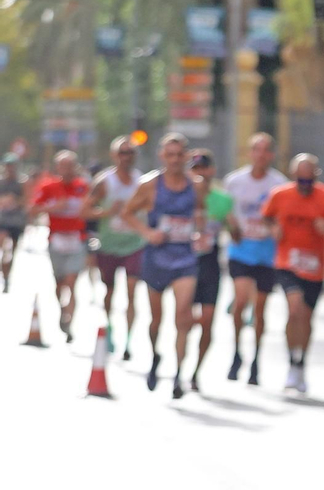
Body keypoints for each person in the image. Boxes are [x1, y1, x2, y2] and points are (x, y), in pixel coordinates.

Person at [122, 133, 208, 398]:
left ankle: (179, 374)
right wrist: (148, 233)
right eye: (169, 155)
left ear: (186, 156)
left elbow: (200, 212)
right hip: (157, 257)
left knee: (183, 315)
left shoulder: (197, 185)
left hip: (184, 257)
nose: (174, 160)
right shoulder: (149, 185)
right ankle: (155, 355)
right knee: (156, 319)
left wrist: (199, 233)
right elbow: (127, 213)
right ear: (162, 156)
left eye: (179, 154)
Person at [261, 153, 324, 394]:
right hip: (287, 262)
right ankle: (291, 360)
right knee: (295, 308)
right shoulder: (280, 195)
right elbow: (266, 217)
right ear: (293, 177)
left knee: (307, 317)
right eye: (300, 181)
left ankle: (301, 363)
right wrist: (273, 229)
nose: (304, 187)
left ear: (316, 178)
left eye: (308, 182)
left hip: (315, 267)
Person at [222, 132, 288, 384]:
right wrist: (232, 228)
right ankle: (237, 351)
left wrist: (275, 229)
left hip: (267, 255)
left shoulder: (279, 184)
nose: (261, 155)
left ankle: (256, 359)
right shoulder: (234, 181)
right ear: (250, 153)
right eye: (256, 150)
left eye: (266, 150)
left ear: (272, 154)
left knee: (260, 309)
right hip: (240, 251)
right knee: (240, 303)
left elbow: (282, 218)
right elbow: (227, 212)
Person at [85, 137, 146, 359]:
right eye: (122, 152)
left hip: (134, 244)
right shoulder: (104, 182)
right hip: (109, 246)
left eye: (130, 153)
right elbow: (85, 211)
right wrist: (107, 213)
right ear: (114, 155)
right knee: (109, 292)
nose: (126, 157)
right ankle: (109, 327)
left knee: (132, 292)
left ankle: (128, 340)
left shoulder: (143, 181)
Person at [28, 151, 92, 342]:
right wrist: (53, 208)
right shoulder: (49, 186)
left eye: (70, 165)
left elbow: (91, 208)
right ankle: (62, 309)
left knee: (72, 282)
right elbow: (32, 209)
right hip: (56, 239)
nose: (67, 170)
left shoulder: (83, 186)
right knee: (60, 283)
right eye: (63, 166)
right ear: (58, 167)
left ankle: (69, 322)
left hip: (77, 239)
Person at [185, 149, 232, 392]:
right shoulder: (181, 197)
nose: (199, 174)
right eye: (194, 169)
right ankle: (180, 366)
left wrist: (233, 226)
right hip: (185, 263)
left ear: (211, 170)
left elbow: (235, 230)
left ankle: (195, 372)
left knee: (207, 322)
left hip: (211, 264)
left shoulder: (222, 200)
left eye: (203, 168)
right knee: (184, 320)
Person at [0, 153, 29, 294]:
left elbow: (27, 200)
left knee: (12, 252)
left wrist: (14, 201)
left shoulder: (22, 182)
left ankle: (6, 276)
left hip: (16, 222)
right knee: (5, 247)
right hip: (2, 221)